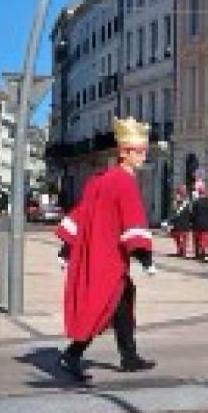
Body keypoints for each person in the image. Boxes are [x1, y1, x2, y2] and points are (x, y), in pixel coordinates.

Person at [55, 117, 160, 383]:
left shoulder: (100, 179)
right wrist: (145, 258)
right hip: (108, 258)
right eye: (139, 151)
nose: (143, 156)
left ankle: (129, 357)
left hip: (98, 254)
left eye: (144, 151)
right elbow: (132, 219)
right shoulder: (124, 181)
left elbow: (81, 213)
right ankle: (73, 354)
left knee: (123, 304)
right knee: (101, 304)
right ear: (124, 152)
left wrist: (67, 248)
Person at [166, 185, 194, 258]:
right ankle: (180, 249)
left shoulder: (187, 202)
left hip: (184, 222)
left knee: (184, 238)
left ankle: (183, 251)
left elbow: (190, 213)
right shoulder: (176, 202)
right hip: (178, 223)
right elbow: (172, 212)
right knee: (177, 236)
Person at [190, 182, 208, 261]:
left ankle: (197, 253)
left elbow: (193, 214)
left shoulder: (196, 202)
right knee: (204, 239)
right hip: (206, 223)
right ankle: (203, 252)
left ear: (199, 193)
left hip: (197, 223)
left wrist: (191, 222)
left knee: (197, 239)